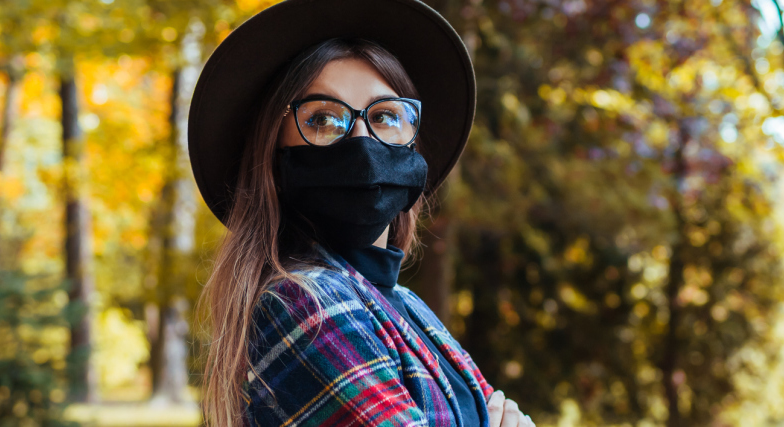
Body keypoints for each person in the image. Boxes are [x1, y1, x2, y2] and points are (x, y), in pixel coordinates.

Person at [187, 1, 534, 425]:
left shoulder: (405, 304)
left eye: (386, 115)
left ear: (413, 148)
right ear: (273, 157)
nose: (361, 141)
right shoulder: (303, 303)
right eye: (323, 120)